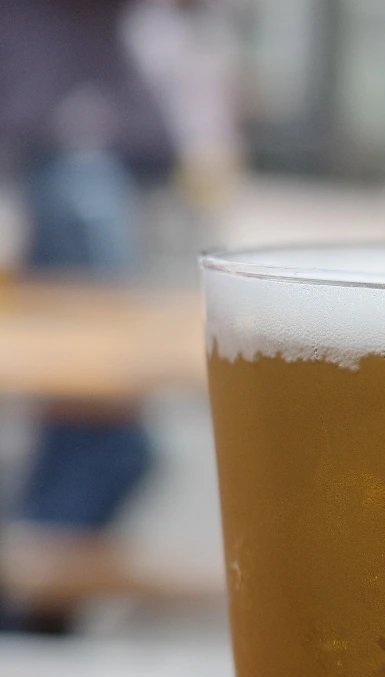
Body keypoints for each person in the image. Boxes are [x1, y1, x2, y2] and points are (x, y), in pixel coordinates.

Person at [0, 0, 175, 633]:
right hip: (71, 138)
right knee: (105, 438)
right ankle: (28, 611)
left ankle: (33, 608)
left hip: (79, 137)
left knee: (88, 438)